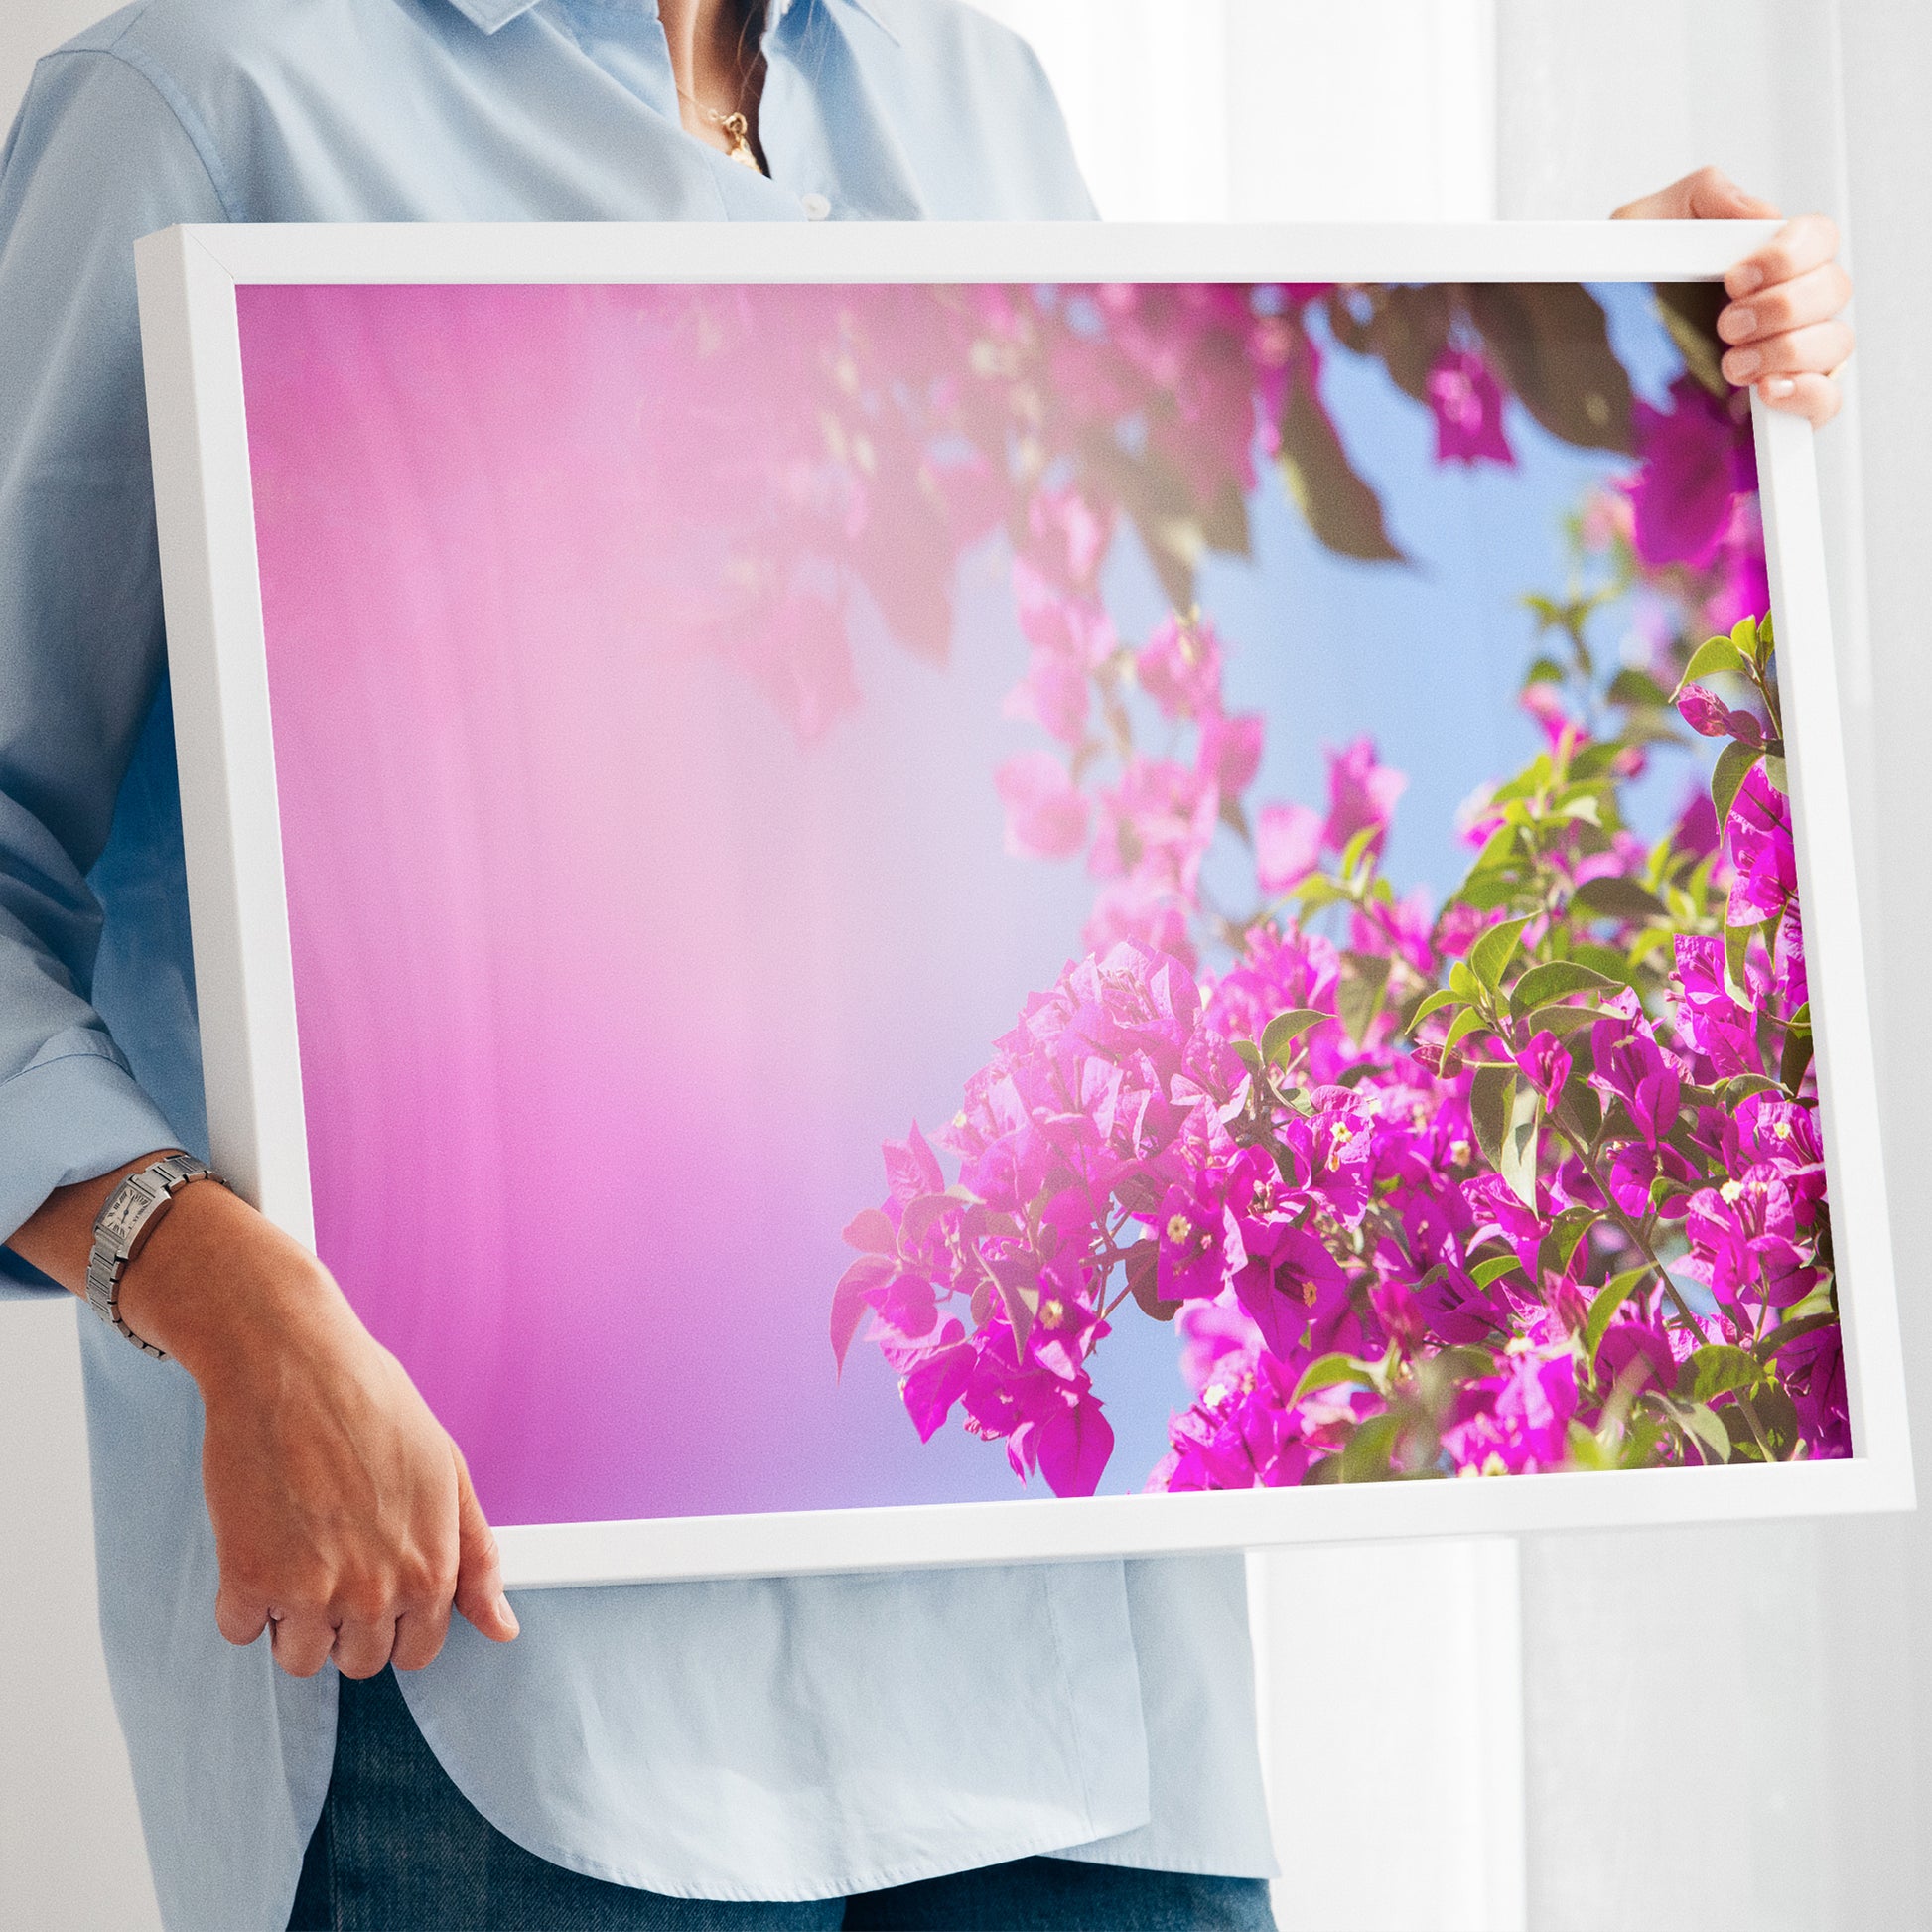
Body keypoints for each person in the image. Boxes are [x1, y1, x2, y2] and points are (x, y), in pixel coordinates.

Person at [0, 0, 1854, 1926]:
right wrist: (211, 1285)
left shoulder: (973, 90)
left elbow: (1104, 675)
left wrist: (1601, 336)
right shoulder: (213, 103)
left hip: (1079, 1701)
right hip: (523, 1714)